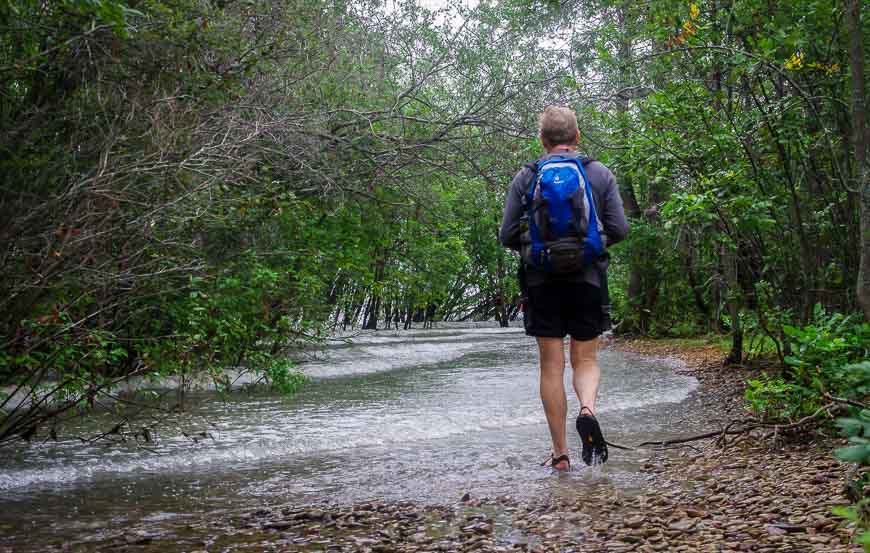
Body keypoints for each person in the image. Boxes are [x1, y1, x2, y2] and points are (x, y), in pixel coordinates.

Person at [499, 106, 629, 471]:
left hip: (541, 282)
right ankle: (587, 408)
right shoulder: (599, 173)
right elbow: (619, 229)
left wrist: (539, 250)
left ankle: (560, 455)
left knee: (551, 366)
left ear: (542, 140)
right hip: (587, 279)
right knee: (585, 359)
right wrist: (587, 246)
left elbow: (506, 234)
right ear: (577, 137)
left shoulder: (527, 177)